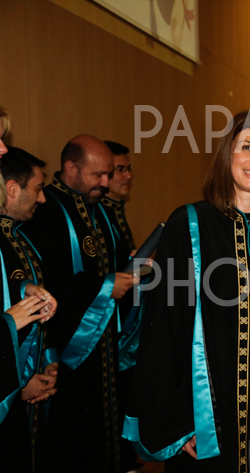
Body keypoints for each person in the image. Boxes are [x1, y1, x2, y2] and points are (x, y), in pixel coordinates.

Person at [124, 110, 250, 471]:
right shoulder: (189, 225)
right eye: (247, 147)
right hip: (210, 414)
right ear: (228, 153)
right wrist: (180, 423)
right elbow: (164, 330)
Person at [21, 135, 139, 473]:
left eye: (108, 175)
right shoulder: (45, 209)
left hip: (104, 344)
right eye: (97, 175)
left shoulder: (99, 209)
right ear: (71, 168)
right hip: (66, 346)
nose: (105, 183)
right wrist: (106, 286)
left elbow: (110, 265)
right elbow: (47, 279)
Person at [0, 147, 59, 471]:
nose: (42, 198)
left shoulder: (21, 236)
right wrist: (19, 384)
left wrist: (48, 362)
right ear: (12, 189)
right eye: (37, 189)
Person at [102, 140, 140, 472]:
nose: (127, 176)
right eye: (119, 170)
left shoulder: (116, 211)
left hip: (124, 326)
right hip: (106, 328)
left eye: (128, 169)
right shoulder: (100, 212)